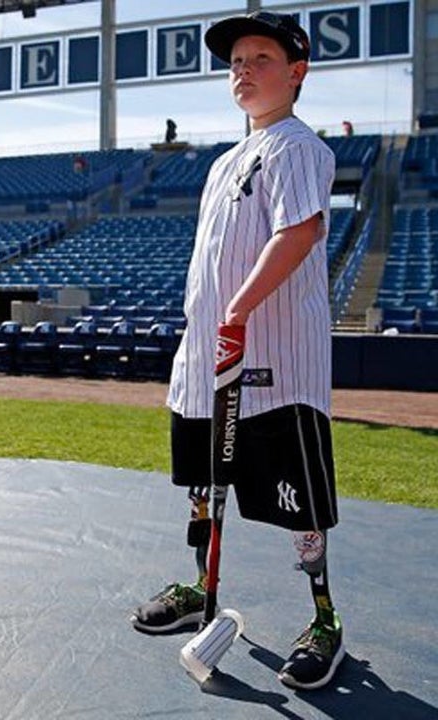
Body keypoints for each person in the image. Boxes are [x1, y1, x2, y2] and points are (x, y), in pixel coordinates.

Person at [131, 11, 344, 691]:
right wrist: (213, 325)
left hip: (274, 361)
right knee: (202, 486)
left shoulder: (296, 146)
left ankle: (324, 617)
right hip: (206, 362)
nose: (243, 71)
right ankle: (202, 587)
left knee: (297, 500)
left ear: (297, 72)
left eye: (260, 58)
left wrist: (240, 308)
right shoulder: (223, 161)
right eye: (235, 63)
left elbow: (300, 231)